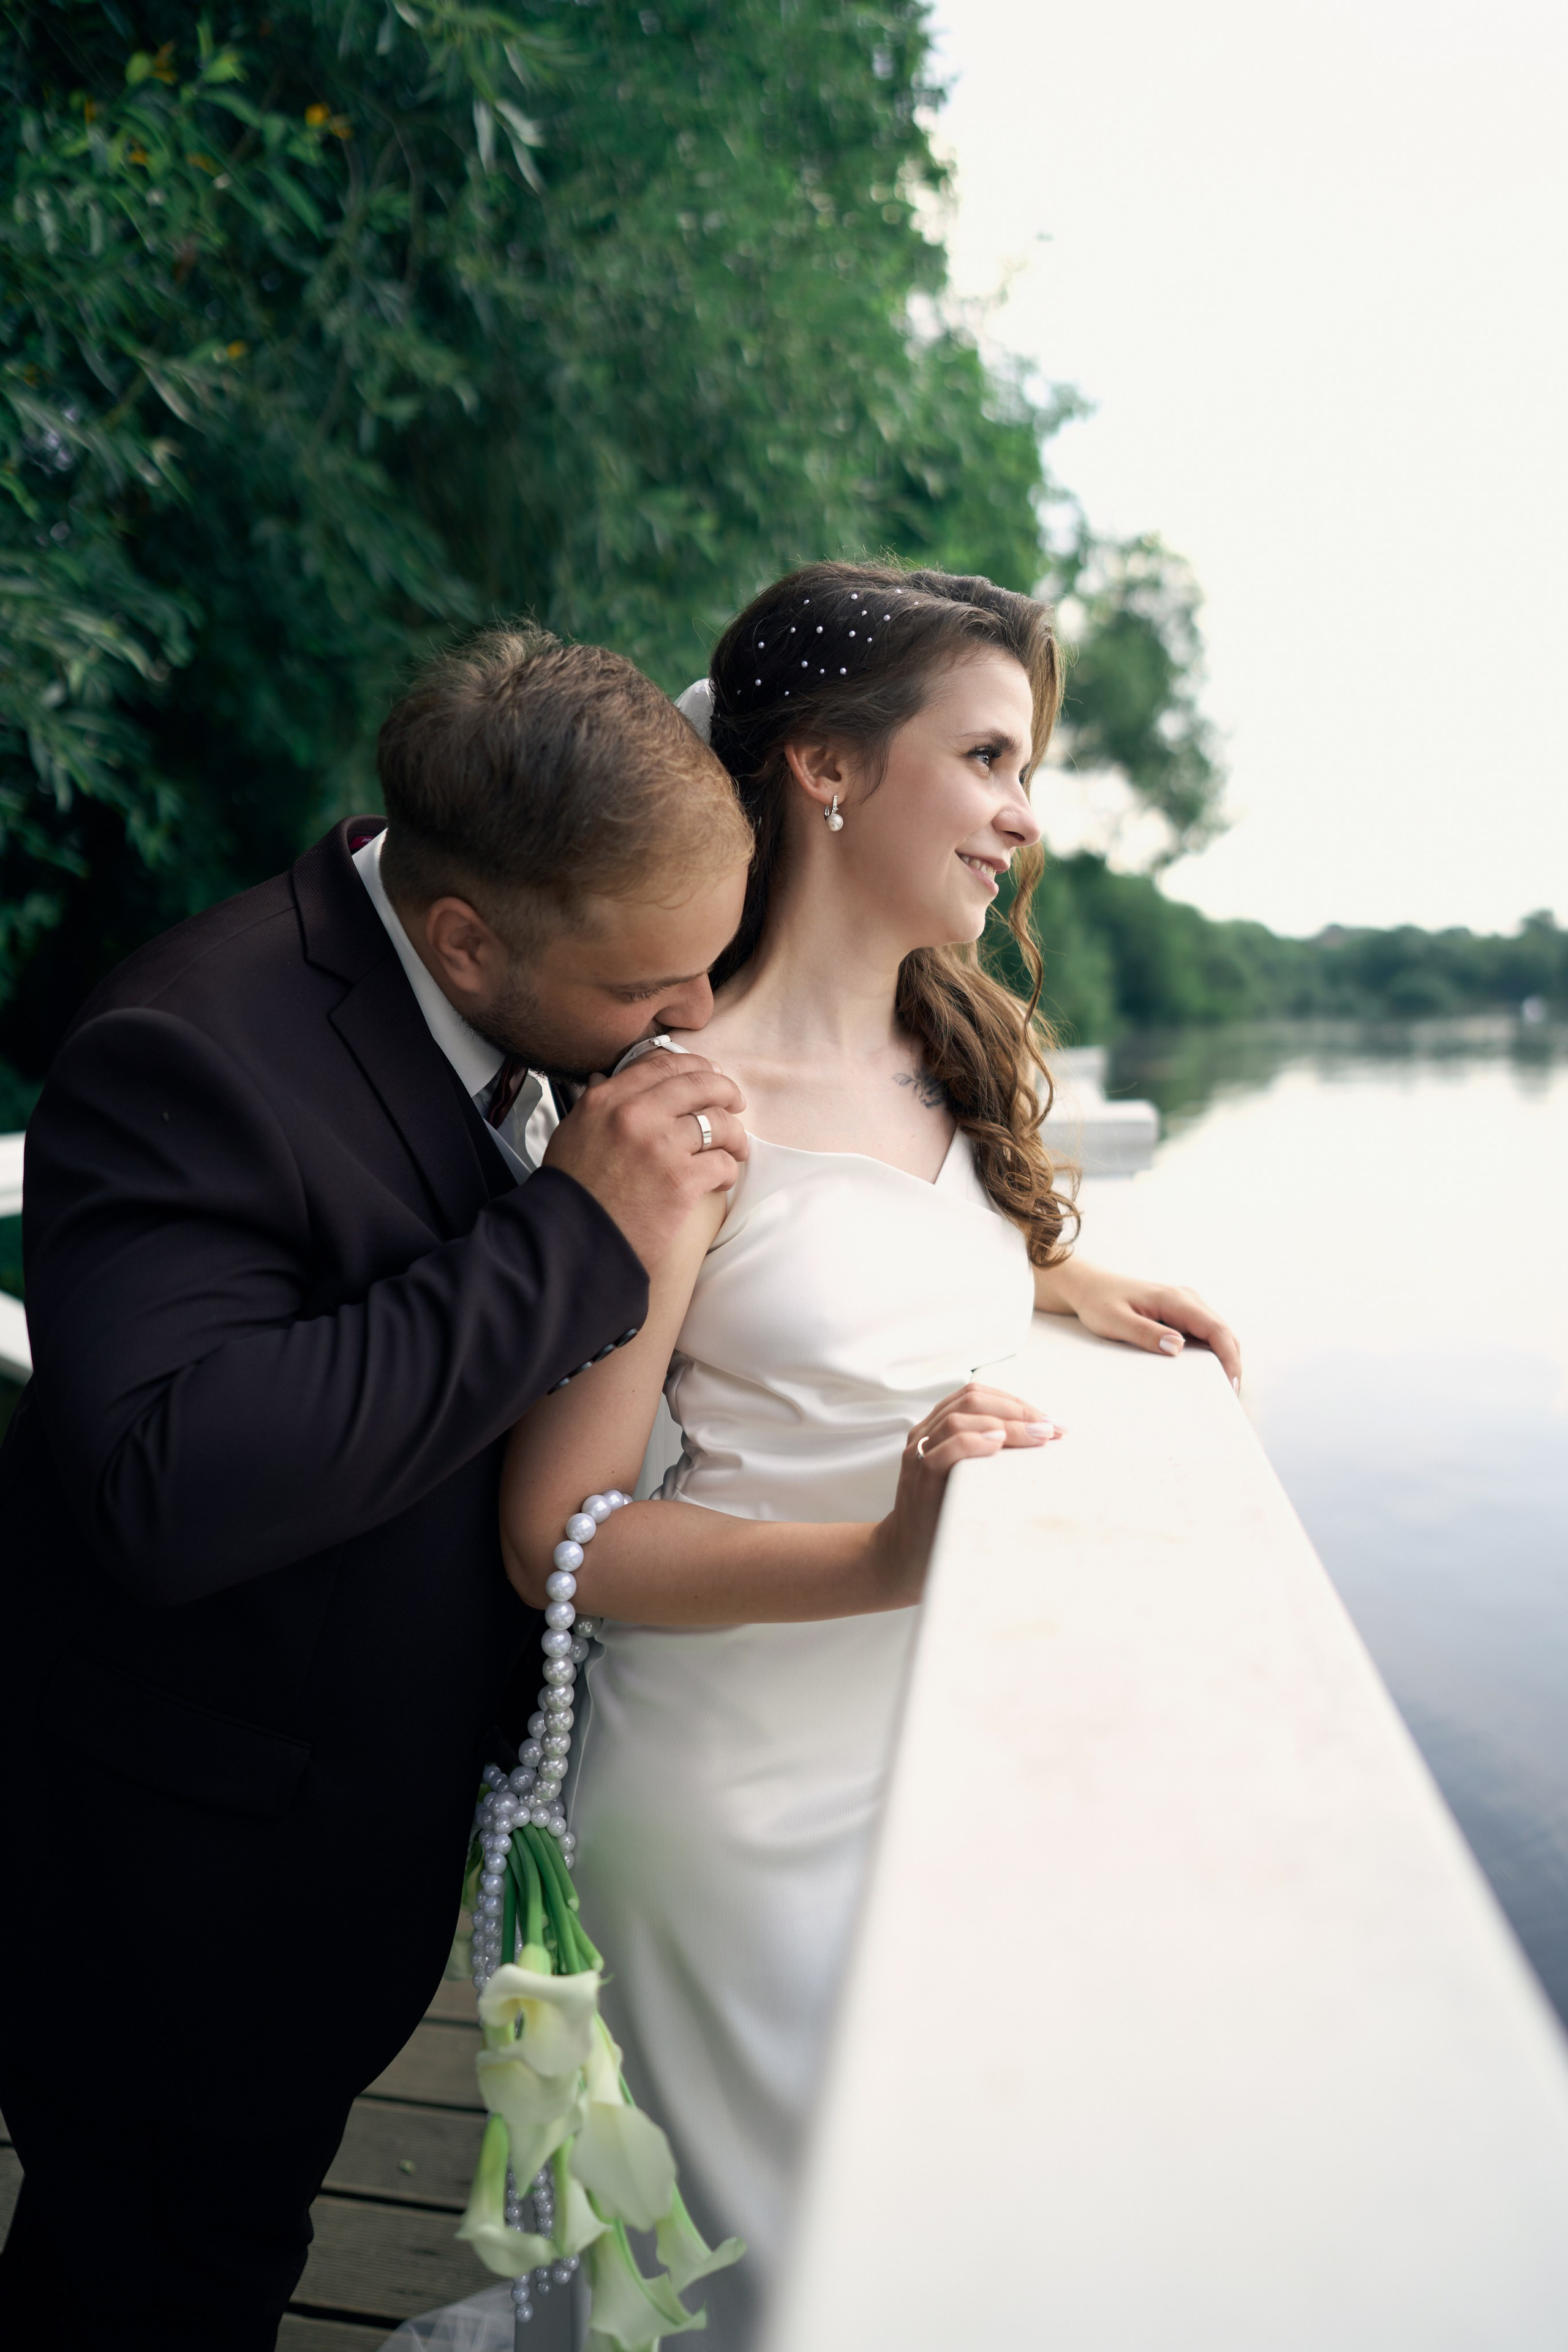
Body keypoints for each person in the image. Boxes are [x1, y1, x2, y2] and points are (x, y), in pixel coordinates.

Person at [489, 564, 1241, 2351]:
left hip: (956, 1779)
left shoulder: (958, 1047)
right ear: (827, 769)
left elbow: (884, 1271)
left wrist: (1068, 1274)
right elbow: (556, 1536)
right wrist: (889, 1553)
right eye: (988, 757)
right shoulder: (678, 1111)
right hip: (741, 1825)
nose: (1021, 819)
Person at [0, 630, 759, 2350]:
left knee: (202, 2250)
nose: (692, 1024)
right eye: (654, 993)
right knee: (157, 2274)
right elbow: (165, 1479)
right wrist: (574, 1231)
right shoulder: (183, 1050)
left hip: (353, 1842)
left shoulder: (534, 973)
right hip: (180, 1884)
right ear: (466, 939)